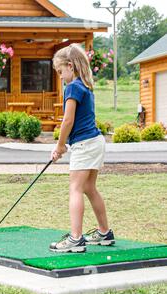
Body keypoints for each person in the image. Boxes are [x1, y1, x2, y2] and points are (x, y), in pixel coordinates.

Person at [49, 43, 115, 253]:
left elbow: (68, 120)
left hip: (85, 144)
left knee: (75, 189)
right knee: (88, 188)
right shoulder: (85, 85)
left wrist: (60, 146)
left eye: (60, 71)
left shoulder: (73, 87)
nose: (60, 77)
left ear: (70, 65)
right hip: (95, 142)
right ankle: (105, 233)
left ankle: (76, 239)